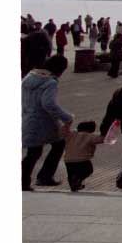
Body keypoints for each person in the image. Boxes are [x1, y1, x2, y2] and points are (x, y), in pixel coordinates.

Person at [22, 55, 73, 190]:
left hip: (28, 119)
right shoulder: (50, 82)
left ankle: (27, 180)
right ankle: (42, 177)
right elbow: (48, 104)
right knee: (55, 146)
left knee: (34, 152)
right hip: (43, 122)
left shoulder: (29, 77)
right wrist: (67, 117)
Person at [62, 120, 104, 192]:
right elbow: (101, 139)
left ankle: (74, 185)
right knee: (88, 170)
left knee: (71, 174)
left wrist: (67, 122)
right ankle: (77, 180)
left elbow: (63, 131)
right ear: (91, 129)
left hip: (68, 160)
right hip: (83, 160)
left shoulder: (71, 134)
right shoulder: (90, 136)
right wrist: (106, 133)